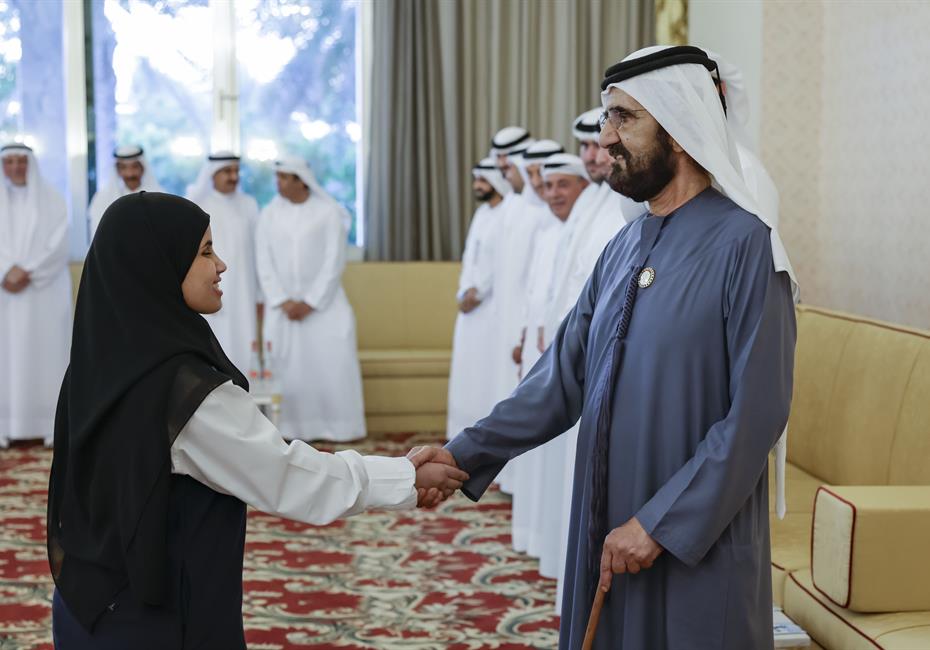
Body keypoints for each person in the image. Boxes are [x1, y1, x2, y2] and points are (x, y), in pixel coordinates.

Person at [434, 45, 798, 648]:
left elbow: (757, 415)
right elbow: (560, 379)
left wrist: (659, 524)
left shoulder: (747, 246)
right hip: (608, 526)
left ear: (679, 131)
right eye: (606, 119)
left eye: (624, 118)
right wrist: (461, 454)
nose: (606, 140)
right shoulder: (624, 248)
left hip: (692, 541)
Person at [47, 191, 467, 648]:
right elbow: (284, 475)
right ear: (158, 265)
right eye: (206, 251)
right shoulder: (181, 391)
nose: (221, 265)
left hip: (86, 603)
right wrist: (404, 475)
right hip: (155, 623)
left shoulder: (101, 360)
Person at [255, 157, 366, 442]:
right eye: (277, 177)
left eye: (284, 178)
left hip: (325, 309)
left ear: (301, 180)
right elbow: (263, 260)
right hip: (282, 310)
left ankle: (339, 428)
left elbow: (334, 261)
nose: (278, 183)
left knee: (332, 366)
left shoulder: (327, 212)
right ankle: (290, 429)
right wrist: (282, 299)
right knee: (287, 369)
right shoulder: (269, 213)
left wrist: (310, 301)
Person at [0, 143, 71, 448]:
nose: (16, 167)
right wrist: (5, 271)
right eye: (10, 161)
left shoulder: (52, 200)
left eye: (21, 161)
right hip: (5, 293)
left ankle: (49, 424)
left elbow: (59, 244)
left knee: (46, 355)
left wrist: (26, 270)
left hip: (43, 292)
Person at [446, 159, 509, 440]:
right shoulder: (483, 213)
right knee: (467, 374)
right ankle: (462, 432)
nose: (477, 186)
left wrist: (478, 292)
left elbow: (501, 262)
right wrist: (464, 291)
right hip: (470, 309)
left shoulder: (508, 213)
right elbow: (469, 257)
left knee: (486, 373)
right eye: (476, 180)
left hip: (491, 307)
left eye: (482, 180)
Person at [185, 152, 261, 374]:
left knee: (244, 344)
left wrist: (260, 296)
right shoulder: (198, 205)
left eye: (236, 171)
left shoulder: (249, 204)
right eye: (227, 171)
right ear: (213, 174)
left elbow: (258, 251)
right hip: (208, 287)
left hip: (244, 291)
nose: (233, 176)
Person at [88, 145, 164, 237]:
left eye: (135, 167)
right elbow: (98, 235)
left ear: (143, 168)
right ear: (117, 171)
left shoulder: (160, 198)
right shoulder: (102, 198)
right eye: (123, 168)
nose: (130, 174)